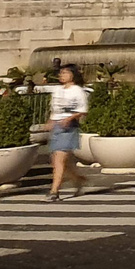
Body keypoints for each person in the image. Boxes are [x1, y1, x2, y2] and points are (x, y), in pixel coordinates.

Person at [45, 63, 89, 201]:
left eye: (65, 73)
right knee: (59, 161)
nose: (62, 75)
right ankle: (78, 180)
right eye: (61, 73)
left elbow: (83, 110)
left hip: (69, 127)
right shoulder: (57, 90)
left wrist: (70, 118)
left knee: (59, 160)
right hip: (57, 126)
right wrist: (51, 121)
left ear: (73, 75)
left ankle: (54, 191)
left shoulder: (78, 91)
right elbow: (54, 108)